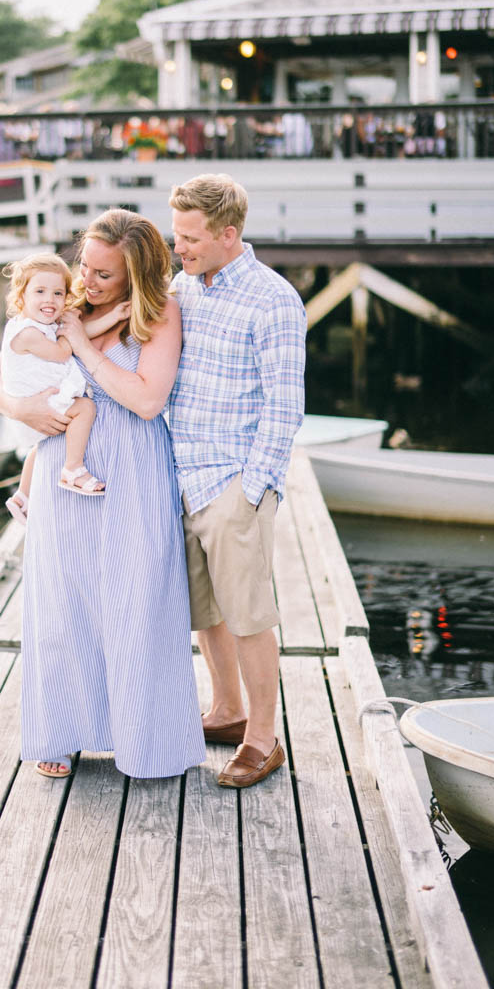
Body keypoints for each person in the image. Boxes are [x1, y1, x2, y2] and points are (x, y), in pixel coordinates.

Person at [0, 210, 205, 780]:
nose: (89, 279)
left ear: (135, 274)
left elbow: (147, 399)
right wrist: (20, 406)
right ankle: (58, 731)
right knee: (64, 600)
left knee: (137, 604)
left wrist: (82, 343)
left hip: (133, 469)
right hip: (66, 468)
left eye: (104, 274)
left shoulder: (158, 314)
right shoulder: (63, 305)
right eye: (87, 265)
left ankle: (143, 740)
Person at [168, 173, 306, 788]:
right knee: (206, 609)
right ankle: (225, 711)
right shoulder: (184, 286)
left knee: (248, 615)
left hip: (232, 481)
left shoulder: (273, 299)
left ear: (229, 235)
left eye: (190, 237)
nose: (179, 248)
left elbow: (285, 406)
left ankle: (262, 739)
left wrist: (251, 491)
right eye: (176, 236)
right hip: (181, 474)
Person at [0, 253, 128, 525]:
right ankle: (73, 468)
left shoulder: (40, 324)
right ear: (21, 297)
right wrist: (74, 331)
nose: (50, 299)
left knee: (42, 445)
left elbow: (83, 334)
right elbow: (62, 351)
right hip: (37, 401)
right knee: (85, 408)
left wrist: (115, 315)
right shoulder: (28, 333)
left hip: (38, 400)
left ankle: (22, 495)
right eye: (40, 291)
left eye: (58, 293)